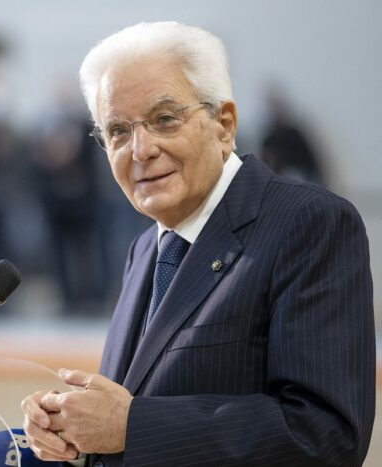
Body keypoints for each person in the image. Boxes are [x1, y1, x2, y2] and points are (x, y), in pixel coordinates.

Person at [21, 21, 374, 466]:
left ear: (224, 125)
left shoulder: (308, 223)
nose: (140, 150)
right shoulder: (145, 249)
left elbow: (324, 437)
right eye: (117, 131)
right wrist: (71, 433)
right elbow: (139, 405)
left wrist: (131, 426)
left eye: (164, 119)